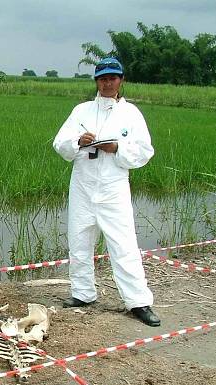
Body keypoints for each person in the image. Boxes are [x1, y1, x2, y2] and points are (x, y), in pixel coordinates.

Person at [52, 57, 160, 327]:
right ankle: (82, 293)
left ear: (121, 80)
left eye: (112, 78)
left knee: (123, 244)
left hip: (113, 186)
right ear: (96, 82)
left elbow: (145, 151)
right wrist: (79, 141)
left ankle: (138, 302)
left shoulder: (131, 114)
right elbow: (60, 143)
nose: (107, 82)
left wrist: (118, 148)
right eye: (102, 78)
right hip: (83, 184)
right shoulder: (81, 111)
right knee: (79, 239)